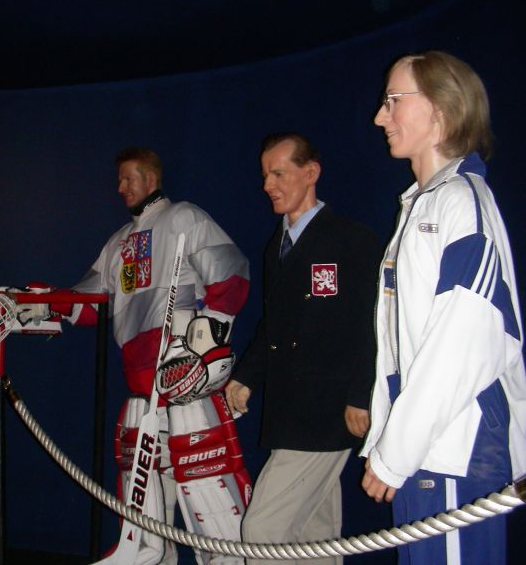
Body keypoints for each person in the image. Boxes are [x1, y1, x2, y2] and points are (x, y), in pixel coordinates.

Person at [18, 147, 252, 564]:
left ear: (151, 178)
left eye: (128, 178)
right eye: (120, 179)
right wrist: (44, 302)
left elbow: (231, 274)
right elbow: (89, 305)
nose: (120, 187)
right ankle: (149, 555)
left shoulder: (184, 218)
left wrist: (205, 344)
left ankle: (231, 559)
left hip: (183, 380)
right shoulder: (118, 243)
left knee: (206, 482)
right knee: (141, 498)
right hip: (141, 385)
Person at [360, 51, 526, 564]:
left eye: (393, 101)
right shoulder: (424, 205)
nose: (380, 117)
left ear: (440, 108)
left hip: (455, 454)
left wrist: (396, 451)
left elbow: (465, 340)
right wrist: (391, 443)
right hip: (426, 454)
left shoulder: (460, 203)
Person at [225, 133, 380, 565]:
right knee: (315, 537)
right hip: (289, 410)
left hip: (326, 411)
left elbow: (373, 324)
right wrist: (245, 376)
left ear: (311, 173)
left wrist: (361, 393)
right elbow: (274, 324)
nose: (267, 185)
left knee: (262, 531)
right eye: (265, 175)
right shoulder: (277, 245)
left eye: (278, 173)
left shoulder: (351, 239)